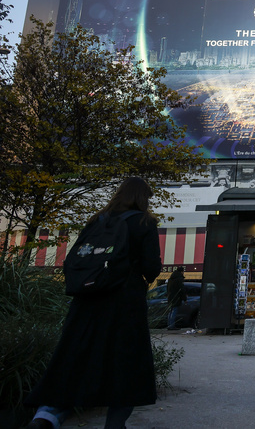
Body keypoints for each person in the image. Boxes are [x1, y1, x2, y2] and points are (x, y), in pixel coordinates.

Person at [24, 177, 162, 429]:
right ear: (143, 198)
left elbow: (77, 256)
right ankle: (115, 424)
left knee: (75, 356)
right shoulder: (144, 222)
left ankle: (47, 416)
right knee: (125, 363)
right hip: (124, 303)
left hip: (86, 300)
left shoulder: (98, 220)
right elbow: (152, 265)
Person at [166, 266, 186, 330]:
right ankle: (172, 325)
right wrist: (184, 298)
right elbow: (181, 289)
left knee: (171, 311)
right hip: (176, 298)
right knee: (174, 311)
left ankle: (169, 324)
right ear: (182, 271)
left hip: (170, 297)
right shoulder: (179, 279)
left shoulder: (171, 279)